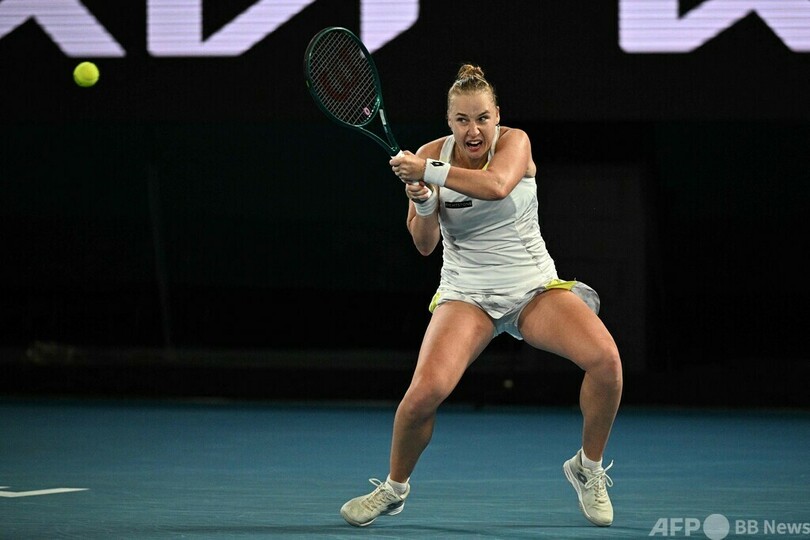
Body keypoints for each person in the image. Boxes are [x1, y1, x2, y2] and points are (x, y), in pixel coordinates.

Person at [340, 64, 623, 528]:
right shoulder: (430, 154)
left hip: (533, 289)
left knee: (606, 362)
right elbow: (425, 245)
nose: (474, 130)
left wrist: (428, 171)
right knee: (423, 395)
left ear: (497, 117)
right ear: (449, 122)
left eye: (482, 118)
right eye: (462, 120)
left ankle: (587, 468)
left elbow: (496, 186)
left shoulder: (515, 143)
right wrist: (423, 201)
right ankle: (394, 489)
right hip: (466, 293)